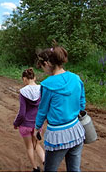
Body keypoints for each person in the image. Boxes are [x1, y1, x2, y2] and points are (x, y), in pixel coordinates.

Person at [35, 44, 86, 172]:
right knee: (74, 169)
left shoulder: (47, 85)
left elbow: (42, 110)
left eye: (41, 66)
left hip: (58, 136)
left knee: (50, 169)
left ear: (47, 63)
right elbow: (82, 102)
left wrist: (37, 128)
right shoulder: (76, 78)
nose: (43, 69)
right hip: (76, 131)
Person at [13, 68, 45, 172]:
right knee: (37, 145)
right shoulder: (42, 89)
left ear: (24, 79)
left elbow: (22, 113)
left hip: (25, 125)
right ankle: (48, 165)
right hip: (37, 124)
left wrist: (16, 123)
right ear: (34, 77)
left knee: (29, 147)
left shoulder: (23, 92)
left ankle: (35, 169)